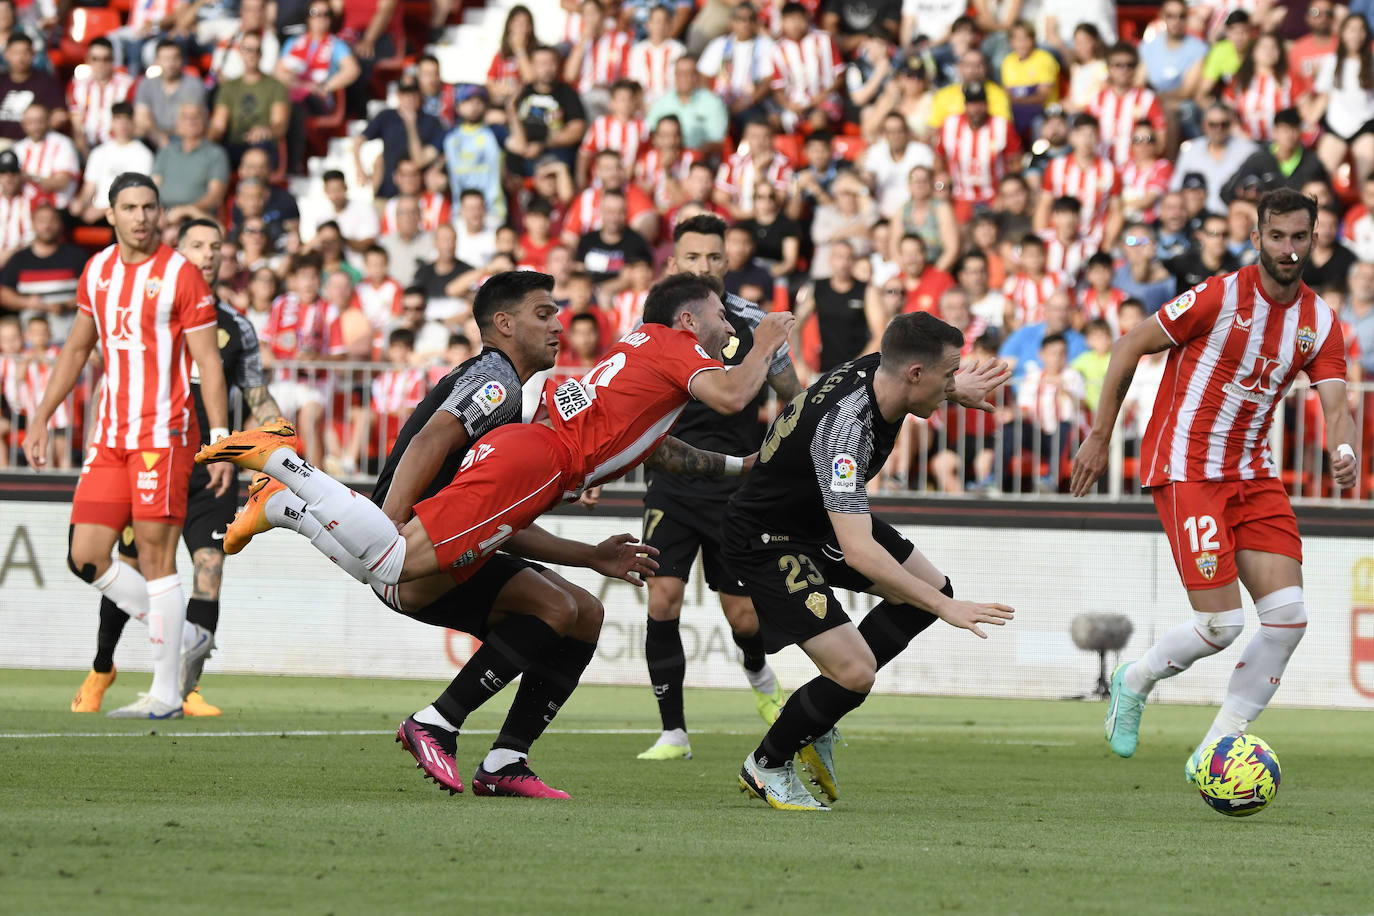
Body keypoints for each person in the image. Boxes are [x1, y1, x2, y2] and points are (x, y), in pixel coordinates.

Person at [198, 273, 795, 793]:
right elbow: (734, 394)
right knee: (395, 562)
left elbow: (657, 448)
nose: (729, 329)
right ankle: (282, 468)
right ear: (689, 319)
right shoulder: (672, 343)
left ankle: (505, 758)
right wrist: (766, 336)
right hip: (539, 462)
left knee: (579, 612)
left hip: (541, 460)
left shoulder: (639, 354)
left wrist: (741, 466)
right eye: (721, 317)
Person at [1071, 188, 1358, 781]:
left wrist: (1345, 447)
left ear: (1313, 239)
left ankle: (1217, 749)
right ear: (1256, 237)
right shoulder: (1219, 296)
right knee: (1221, 626)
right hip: (1187, 466)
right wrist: (1100, 436)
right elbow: (1128, 346)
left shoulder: (1319, 323)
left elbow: (1337, 404)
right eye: (1276, 236)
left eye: (1299, 237)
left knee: (1288, 619)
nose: (1287, 248)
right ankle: (1135, 679)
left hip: (1253, 472)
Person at [727, 311, 1014, 810]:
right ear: (915, 375)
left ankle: (816, 720)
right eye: (949, 373)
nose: (954, 381)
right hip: (770, 537)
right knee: (857, 673)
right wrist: (949, 611)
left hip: (818, 519)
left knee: (928, 591)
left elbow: (915, 377)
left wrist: (952, 390)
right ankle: (766, 765)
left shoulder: (884, 371)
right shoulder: (846, 429)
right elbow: (859, 550)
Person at [23, 173, 231, 719]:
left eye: (149, 207)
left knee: (158, 559)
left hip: (163, 436)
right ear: (110, 215)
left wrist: (221, 437)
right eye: (129, 207)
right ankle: (183, 632)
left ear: (160, 214)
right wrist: (42, 416)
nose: (141, 216)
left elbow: (208, 361)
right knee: (85, 557)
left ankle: (165, 696)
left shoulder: (181, 274)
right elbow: (74, 349)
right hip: (111, 436)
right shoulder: (97, 272)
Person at [71, 218, 285, 717]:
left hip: (210, 470)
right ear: (178, 250)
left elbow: (256, 396)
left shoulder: (237, 327)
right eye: (197, 245)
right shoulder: (150, 309)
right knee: (129, 567)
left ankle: (183, 688)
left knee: (209, 571)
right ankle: (103, 666)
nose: (208, 255)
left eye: (216, 246)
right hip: (150, 455)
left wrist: (278, 443)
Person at [636, 215, 803, 760]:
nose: (703, 267)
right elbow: (630, 396)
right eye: (692, 259)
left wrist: (788, 467)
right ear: (674, 263)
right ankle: (673, 733)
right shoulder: (653, 324)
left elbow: (791, 400)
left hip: (737, 485)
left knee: (745, 617)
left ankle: (757, 672)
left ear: (727, 261)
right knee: (663, 599)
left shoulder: (755, 324)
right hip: (673, 480)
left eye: (713, 258)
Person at [0, 203, 85, 343]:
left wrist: (67, 305)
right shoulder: (19, 258)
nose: (47, 226)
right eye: (41, 221)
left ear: (60, 224)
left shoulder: (76, 256)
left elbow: (92, 292)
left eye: (52, 220)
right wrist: (28, 303)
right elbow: (4, 293)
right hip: (29, 343)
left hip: (69, 339)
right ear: (32, 224)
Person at [133, 41, 208, 149]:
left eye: (175, 58)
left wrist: (168, 140)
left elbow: (194, 120)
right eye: (166, 59)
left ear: (181, 60)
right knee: (138, 137)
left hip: (183, 137)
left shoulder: (194, 84)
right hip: (153, 136)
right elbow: (141, 118)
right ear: (157, 61)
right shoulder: (145, 84)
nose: (171, 64)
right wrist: (158, 136)